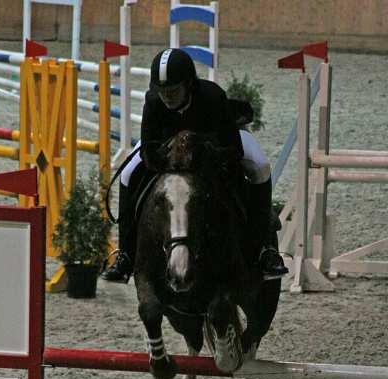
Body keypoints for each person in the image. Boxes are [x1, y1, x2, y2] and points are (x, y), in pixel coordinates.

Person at [102, 48, 288, 282]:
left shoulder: (212, 97)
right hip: (167, 144)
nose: (167, 97)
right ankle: (125, 255)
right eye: (162, 91)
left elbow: (233, 150)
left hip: (215, 141)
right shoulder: (153, 100)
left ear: (189, 84)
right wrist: (170, 158)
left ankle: (264, 249)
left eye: (173, 91)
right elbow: (149, 149)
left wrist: (202, 152)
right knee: (127, 174)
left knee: (260, 165)